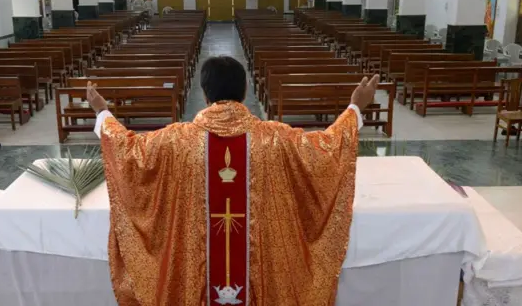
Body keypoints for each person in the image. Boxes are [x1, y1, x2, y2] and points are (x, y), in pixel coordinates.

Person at [87, 56, 379, 305]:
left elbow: (130, 151)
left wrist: (102, 112)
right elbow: (325, 150)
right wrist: (355, 109)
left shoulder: (176, 140)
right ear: (245, 89)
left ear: (204, 94)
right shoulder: (275, 139)